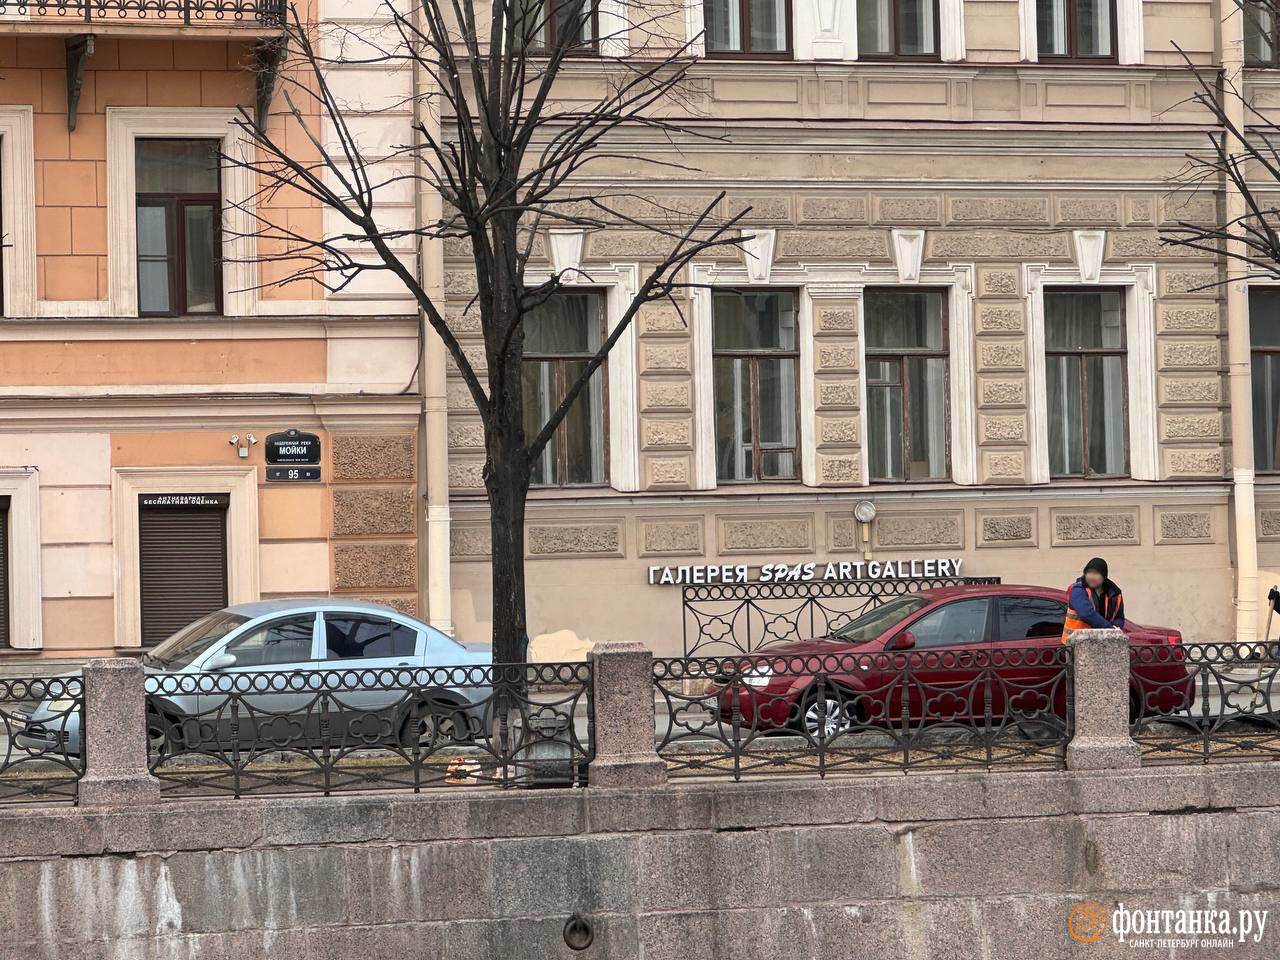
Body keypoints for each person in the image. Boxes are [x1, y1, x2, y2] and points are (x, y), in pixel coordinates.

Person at [1061, 557, 1125, 643]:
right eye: (1089, 572)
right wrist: (1110, 629)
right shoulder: (1078, 589)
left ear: (1104, 575)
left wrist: (1116, 628)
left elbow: (1119, 617)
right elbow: (1086, 613)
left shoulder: (1114, 593)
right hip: (1076, 644)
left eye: (1096, 573)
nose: (1092, 576)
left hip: (1105, 643)